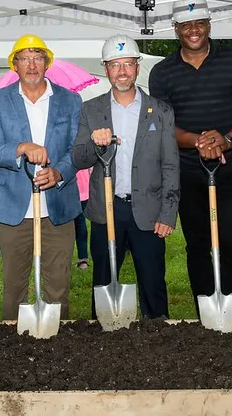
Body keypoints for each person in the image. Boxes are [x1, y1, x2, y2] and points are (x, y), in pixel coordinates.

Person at [149, 0, 232, 316]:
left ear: (209, 25)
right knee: (197, 246)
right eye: (185, 25)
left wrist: (225, 140)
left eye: (199, 23)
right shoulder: (162, 72)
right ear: (176, 29)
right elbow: (161, 125)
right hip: (187, 170)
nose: (193, 30)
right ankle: (205, 315)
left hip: (229, 168)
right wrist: (197, 140)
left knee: (230, 245)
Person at [73, 35, 180, 319]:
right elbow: (78, 159)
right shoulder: (91, 109)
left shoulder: (160, 111)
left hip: (148, 210)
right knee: (104, 282)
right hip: (107, 210)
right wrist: (96, 145)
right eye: (115, 64)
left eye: (128, 64)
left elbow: (170, 164)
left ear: (137, 67)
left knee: (154, 283)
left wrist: (168, 214)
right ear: (105, 68)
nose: (122, 71)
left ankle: (159, 337)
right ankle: (103, 340)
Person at [0, 34, 81, 320]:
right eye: (25, 58)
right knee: (14, 288)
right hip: (14, 206)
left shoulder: (70, 100)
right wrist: (21, 148)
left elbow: (78, 148)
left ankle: (58, 348)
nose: (32, 64)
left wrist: (59, 171)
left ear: (47, 63)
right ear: (15, 65)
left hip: (57, 206)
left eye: (38, 57)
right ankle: (13, 348)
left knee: (58, 287)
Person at [73, 168, 91, 270]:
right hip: (77, 191)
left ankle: (83, 259)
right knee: (80, 225)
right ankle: (82, 258)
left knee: (80, 225)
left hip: (84, 190)